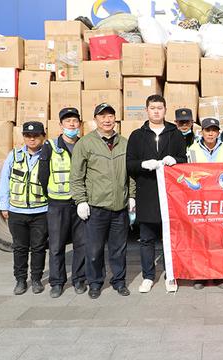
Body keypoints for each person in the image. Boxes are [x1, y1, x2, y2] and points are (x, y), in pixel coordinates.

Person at [70, 103, 135, 299]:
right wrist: (80, 200)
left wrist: (132, 196)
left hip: (119, 207)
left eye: (110, 116)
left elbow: (130, 174)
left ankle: (119, 281)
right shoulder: (85, 143)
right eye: (102, 116)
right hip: (96, 208)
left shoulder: (124, 143)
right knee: (94, 250)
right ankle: (95, 282)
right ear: (95, 119)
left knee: (118, 249)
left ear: (115, 118)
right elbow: (76, 175)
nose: (107, 120)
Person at [126, 95, 187, 294]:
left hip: (171, 195)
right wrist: (143, 164)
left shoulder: (175, 134)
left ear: (165, 109)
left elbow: (184, 161)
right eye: (152, 108)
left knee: (171, 238)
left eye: (159, 108)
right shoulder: (137, 135)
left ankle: (172, 274)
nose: (156, 111)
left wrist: (175, 160)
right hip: (147, 193)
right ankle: (148, 276)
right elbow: (129, 164)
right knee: (147, 238)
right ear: (147, 110)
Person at [37, 108, 86, 298]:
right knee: (56, 245)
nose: (72, 125)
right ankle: (57, 282)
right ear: (61, 125)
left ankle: (79, 279)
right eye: (68, 122)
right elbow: (43, 175)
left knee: (81, 244)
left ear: (79, 124)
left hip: (79, 203)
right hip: (58, 204)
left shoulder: (84, 144)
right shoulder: (50, 146)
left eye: (75, 121)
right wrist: (50, 196)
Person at [0, 121, 48, 295]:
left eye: (35, 136)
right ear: (24, 137)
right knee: (19, 247)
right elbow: (4, 182)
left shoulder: (47, 156)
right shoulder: (14, 155)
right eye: (28, 135)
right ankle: (20, 280)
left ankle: (36, 279)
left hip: (41, 210)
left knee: (39, 247)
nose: (32, 139)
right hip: (17, 211)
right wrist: (4, 206)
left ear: (43, 136)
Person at [187, 118, 223, 289]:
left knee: (220, 240)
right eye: (207, 130)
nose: (211, 133)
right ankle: (200, 276)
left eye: (214, 130)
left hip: (221, 202)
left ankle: (219, 275)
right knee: (199, 239)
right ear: (202, 132)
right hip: (200, 202)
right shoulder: (191, 150)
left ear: (218, 132)